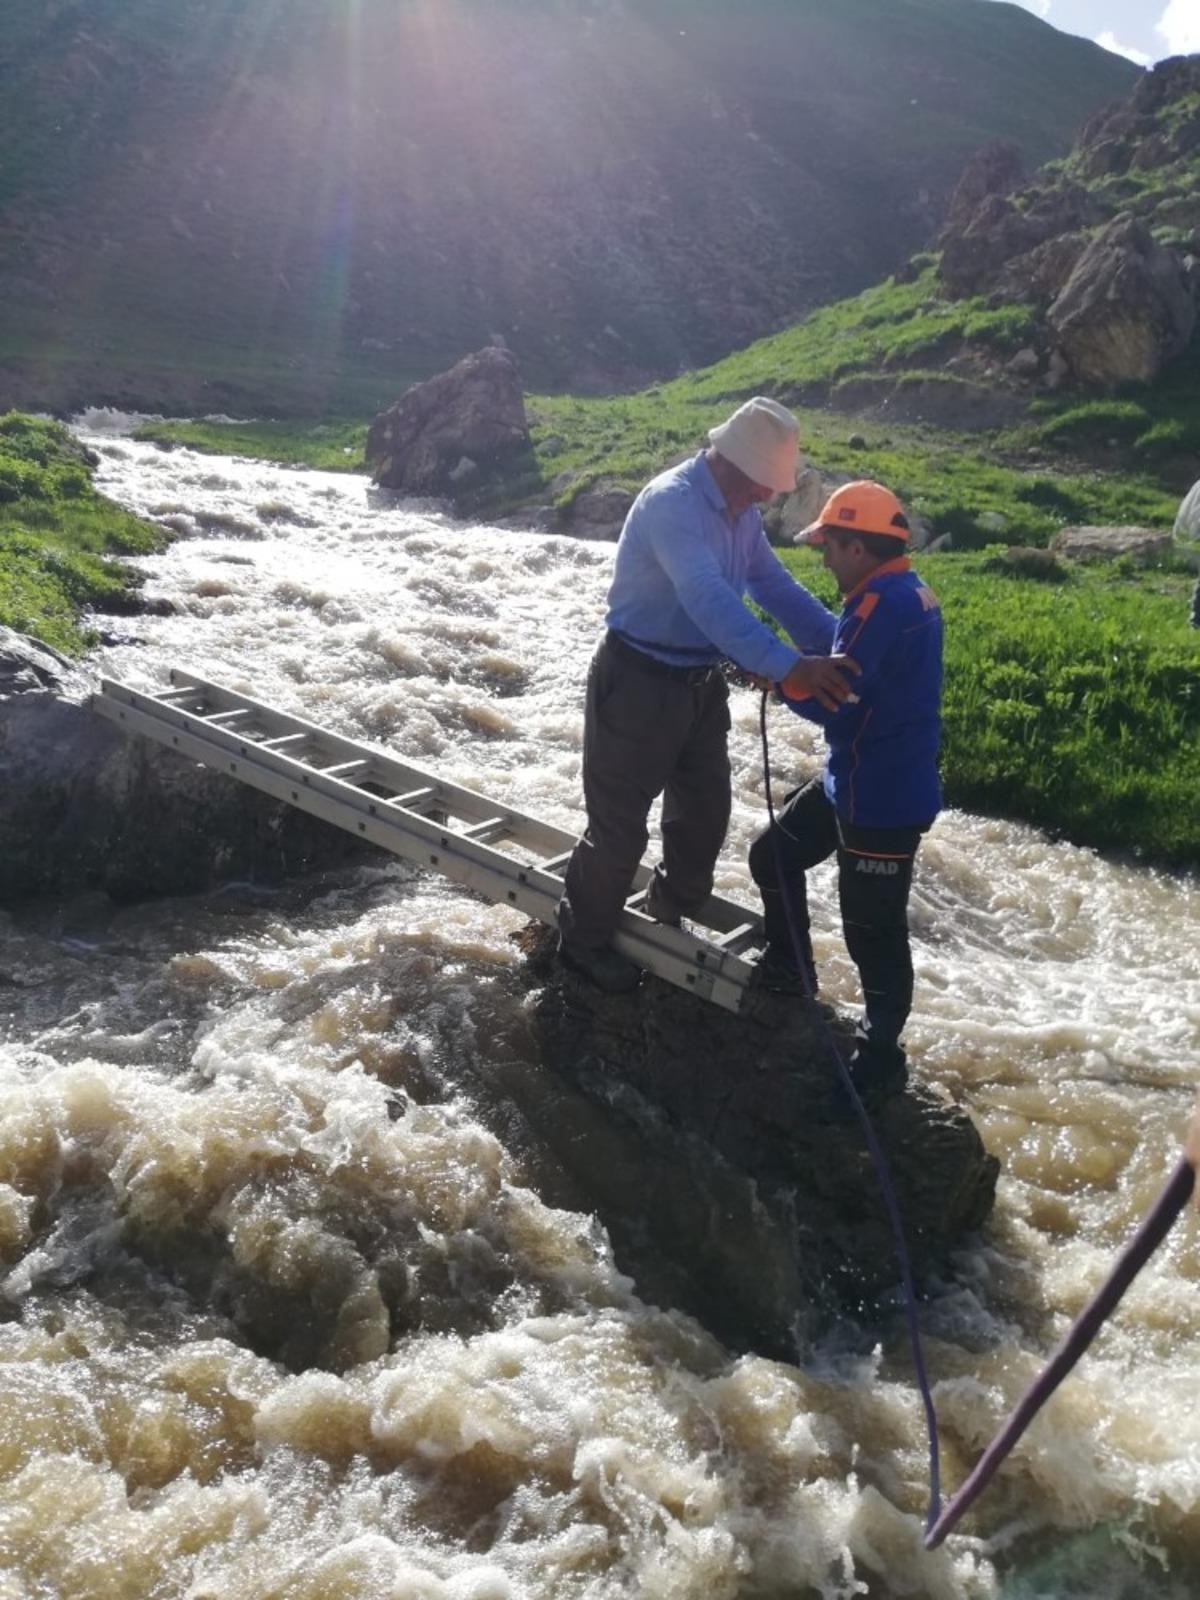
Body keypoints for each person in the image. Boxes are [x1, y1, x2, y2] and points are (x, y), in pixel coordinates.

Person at [557, 396, 860, 993]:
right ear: (731, 463)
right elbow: (707, 599)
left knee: (703, 818)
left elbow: (774, 587)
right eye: (763, 484)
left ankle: (663, 908)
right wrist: (789, 667)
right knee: (619, 831)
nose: (769, 498)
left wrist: (844, 643)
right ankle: (580, 947)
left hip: (697, 684)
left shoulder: (738, 514)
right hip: (637, 681)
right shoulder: (673, 504)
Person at [748, 480, 943, 1100]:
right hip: (854, 782)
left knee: (873, 933)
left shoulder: (878, 608)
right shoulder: (899, 591)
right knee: (772, 855)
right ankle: (792, 967)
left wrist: (777, 680)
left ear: (858, 546)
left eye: (829, 544)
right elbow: (845, 672)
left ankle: (880, 1057)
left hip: (880, 801)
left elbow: (839, 706)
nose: (824, 556)